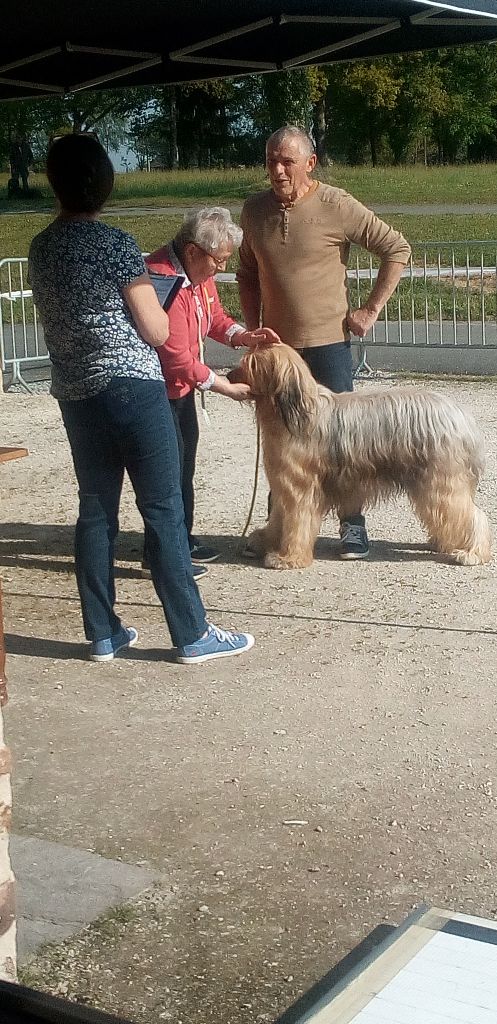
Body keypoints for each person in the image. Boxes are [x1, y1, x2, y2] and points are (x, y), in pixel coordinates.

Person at [27, 133, 254, 665]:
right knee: (163, 509)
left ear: (54, 183)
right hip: (133, 385)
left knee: (96, 511)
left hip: (76, 391)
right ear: (104, 183)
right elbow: (155, 329)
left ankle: (102, 631)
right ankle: (191, 632)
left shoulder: (41, 247)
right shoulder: (117, 244)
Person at [237, 125, 411, 561]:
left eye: (287, 161)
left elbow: (397, 249)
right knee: (283, 448)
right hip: (277, 354)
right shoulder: (253, 211)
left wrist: (370, 309)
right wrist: (250, 330)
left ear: (310, 163)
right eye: (271, 160)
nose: (277, 170)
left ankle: (352, 528)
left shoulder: (337, 204)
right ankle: (283, 531)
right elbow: (245, 273)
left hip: (328, 344)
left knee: (343, 447)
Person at [145, 207, 280, 571]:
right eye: (218, 260)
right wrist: (225, 387)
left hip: (181, 391)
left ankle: (179, 538)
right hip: (156, 390)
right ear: (192, 251)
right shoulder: (161, 279)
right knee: (167, 471)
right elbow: (176, 358)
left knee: (182, 465)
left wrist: (244, 335)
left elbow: (214, 318)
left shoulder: (198, 276)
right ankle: (164, 552)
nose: (220, 268)